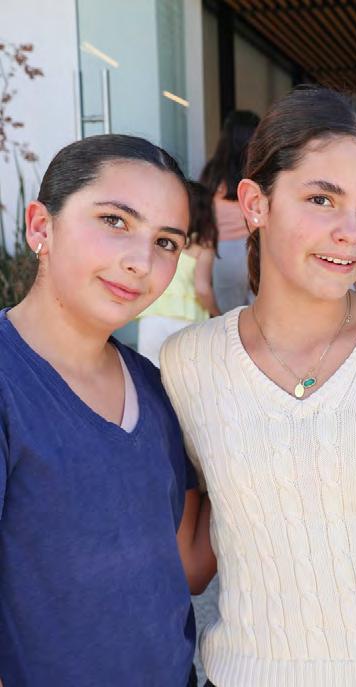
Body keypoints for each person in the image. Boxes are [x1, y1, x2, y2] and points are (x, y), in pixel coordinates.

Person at [160, 86, 356, 687]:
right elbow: (188, 555)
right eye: (322, 199)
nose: (351, 231)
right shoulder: (188, 363)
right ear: (256, 203)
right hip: (248, 673)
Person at [0, 134, 215, 686]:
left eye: (166, 242)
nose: (140, 262)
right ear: (40, 227)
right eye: (115, 221)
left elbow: (188, 567)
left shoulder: (156, 389)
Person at [138, 181, 220, 367]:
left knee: (150, 374)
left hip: (153, 317)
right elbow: (202, 289)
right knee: (185, 376)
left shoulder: (160, 240)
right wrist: (218, 315)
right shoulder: (202, 245)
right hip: (187, 320)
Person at [200, 110, 260, 313]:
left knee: (229, 318)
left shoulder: (212, 173)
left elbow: (204, 214)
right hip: (256, 246)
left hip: (223, 251)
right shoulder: (258, 170)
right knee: (260, 315)